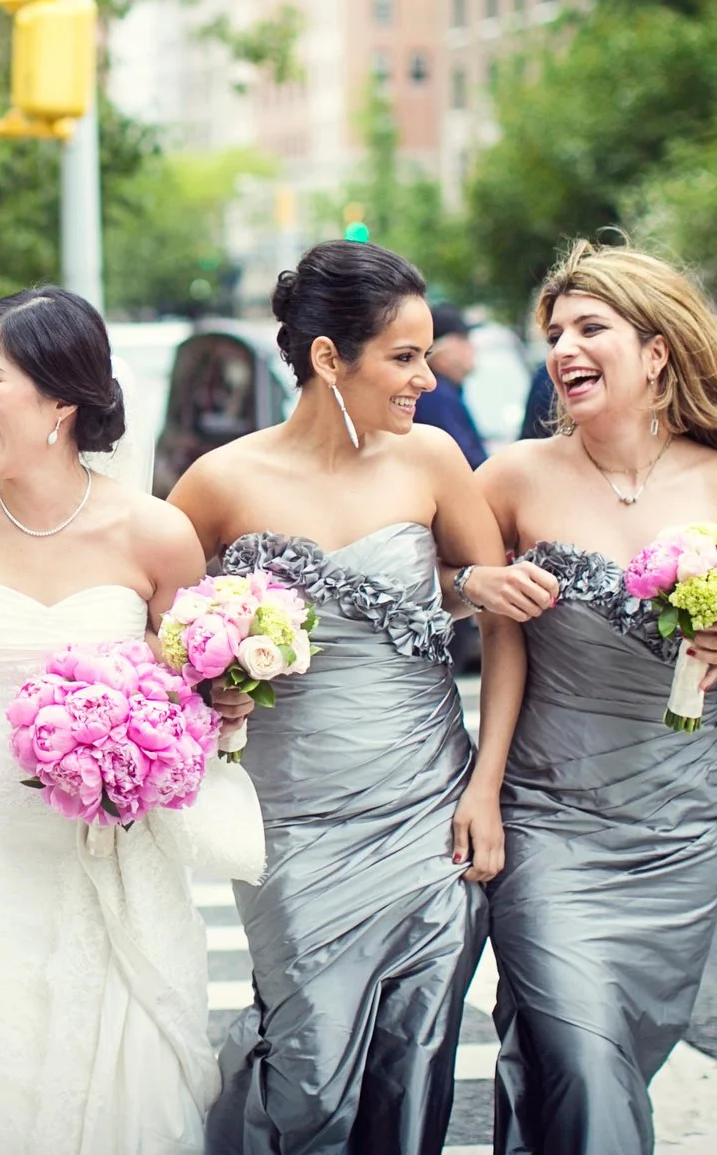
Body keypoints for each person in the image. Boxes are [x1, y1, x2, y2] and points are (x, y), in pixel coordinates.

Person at [169, 243, 554, 1155]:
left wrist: (485, 788)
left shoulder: (431, 458)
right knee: (307, 1064)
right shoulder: (224, 481)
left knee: (413, 1055)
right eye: (404, 356)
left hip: (429, 807)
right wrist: (208, 679)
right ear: (328, 358)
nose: (427, 375)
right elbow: (157, 619)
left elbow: (495, 613)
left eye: (426, 353)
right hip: (295, 817)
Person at [0, 287, 219, 1154]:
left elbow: (197, 691)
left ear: (61, 396)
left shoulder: (157, 533)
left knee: (118, 1100)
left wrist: (210, 711)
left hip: (108, 860)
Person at [477, 241, 717, 1154]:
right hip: (548, 816)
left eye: (590, 327)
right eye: (555, 332)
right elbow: (450, 590)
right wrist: (474, 581)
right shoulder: (514, 476)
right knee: (579, 1052)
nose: (564, 347)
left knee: (614, 1056)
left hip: (679, 826)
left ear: (656, 351)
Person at [411, 301, 489, 469]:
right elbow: (471, 464)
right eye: (463, 339)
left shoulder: (445, 393)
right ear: (442, 348)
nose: (471, 346)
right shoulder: (437, 397)